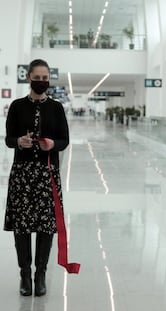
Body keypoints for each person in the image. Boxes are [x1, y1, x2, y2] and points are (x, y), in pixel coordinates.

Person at [4, 59, 70, 296]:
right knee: (22, 227)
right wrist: (18, 141)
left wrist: (53, 144)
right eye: (37, 78)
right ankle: (24, 274)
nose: (41, 82)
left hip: (47, 175)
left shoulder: (56, 108)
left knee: (46, 226)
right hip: (22, 174)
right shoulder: (17, 106)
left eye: (45, 78)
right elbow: (8, 139)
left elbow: (64, 140)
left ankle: (40, 273)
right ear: (29, 77)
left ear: (49, 80)